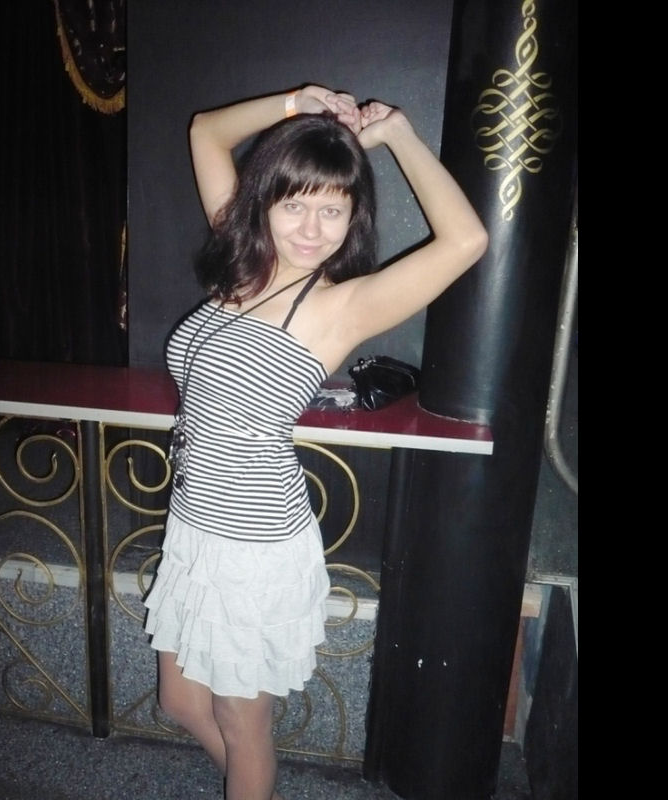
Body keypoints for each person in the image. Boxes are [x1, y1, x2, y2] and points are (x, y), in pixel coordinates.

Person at [143, 83, 488, 800]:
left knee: (244, 726)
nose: (311, 227)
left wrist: (398, 136)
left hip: (255, 545)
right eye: (295, 204)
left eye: (333, 210)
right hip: (196, 525)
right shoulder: (244, 269)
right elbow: (206, 130)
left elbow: (467, 241)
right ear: (264, 204)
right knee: (179, 701)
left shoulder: (342, 306)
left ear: (353, 217)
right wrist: (296, 103)